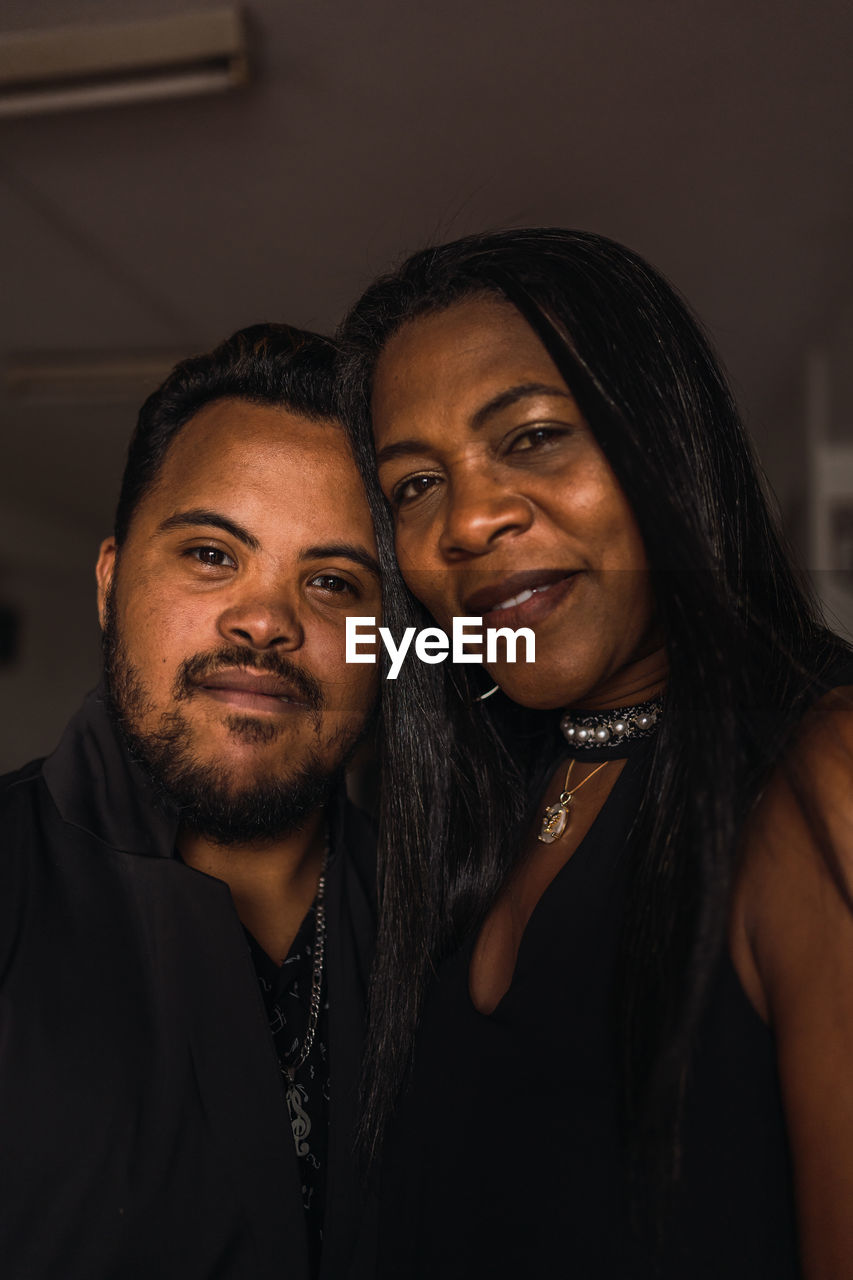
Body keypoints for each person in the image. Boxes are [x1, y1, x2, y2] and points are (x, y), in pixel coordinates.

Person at [337, 229, 853, 1278]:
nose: (469, 520)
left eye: (530, 437)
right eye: (416, 484)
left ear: (663, 437)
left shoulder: (818, 779)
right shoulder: (475, 816)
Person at [0, 324, 382, 1280]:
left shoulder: (472, 922)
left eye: (332, 581)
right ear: (109, 582)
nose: (265, 620)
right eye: (213, 554)